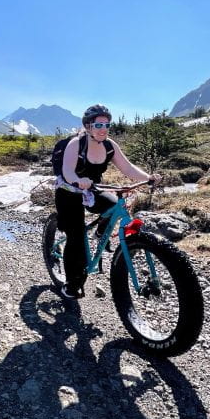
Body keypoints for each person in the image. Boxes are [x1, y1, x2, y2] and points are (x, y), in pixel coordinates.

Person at [55, 104, 160, 299]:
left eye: (107, 125)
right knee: (76, 237)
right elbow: (67, 171)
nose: (104, 129)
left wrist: (148, 177)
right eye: (98, 125)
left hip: (92, 189)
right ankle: (71, 284)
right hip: (68, 191)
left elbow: (127, 168)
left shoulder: (109, 145)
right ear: (88, 126)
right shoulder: (76, 144)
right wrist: (78, 180)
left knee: (113, 205)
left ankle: (100, 234)